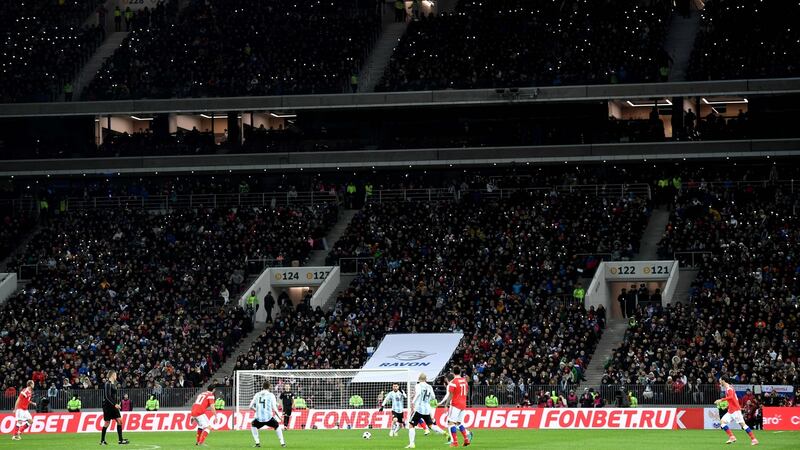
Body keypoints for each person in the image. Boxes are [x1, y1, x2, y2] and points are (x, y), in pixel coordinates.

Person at [406, 373, 446, 449]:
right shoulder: (429, 386)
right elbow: (433, 397)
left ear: (419, 378)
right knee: (431, 425)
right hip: (426, 409)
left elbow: (418, 394)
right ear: (425, 379)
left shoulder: (418, 385)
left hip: (419, 408)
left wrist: (412, 402)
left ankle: (412, 444)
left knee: (411, 425)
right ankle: (444, 432)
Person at [715, 379, 758, 445]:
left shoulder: (729, 388)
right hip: (731, 410)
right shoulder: (728, 388)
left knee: (743, 425)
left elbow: (731, 397)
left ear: (723, 380)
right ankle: (732, 437)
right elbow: (732, 399)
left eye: (720, 380)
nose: (719, 382)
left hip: (735, 410)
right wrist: (727, 406)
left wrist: (721, 400)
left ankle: (754, 439)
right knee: (722, 422)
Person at [438, 366, 472, 447]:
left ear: (453, 373)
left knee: (450, 423)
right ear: (460, 372)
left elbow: (450, 395)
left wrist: (446, 405)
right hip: (463, 404)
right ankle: (466, 439)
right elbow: (466, 392)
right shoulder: (464, 381)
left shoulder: (453, 382)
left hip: (455, 404)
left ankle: (455, 442)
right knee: (459, 423)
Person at [250, 382, 286, 448]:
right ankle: (282, 443)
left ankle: (257, 442)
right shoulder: (271, 395)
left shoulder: (257, 394)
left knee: (253, 425)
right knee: (277, 426)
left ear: (262, 387)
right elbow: (275, 408)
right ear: (269, 387)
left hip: (259, 419)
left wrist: (256, 410)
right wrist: (280, 417)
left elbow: (250, 406)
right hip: (269, 418)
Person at [101, 370, 129, 445]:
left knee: (120, 421)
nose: (116, 376)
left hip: (114, 405)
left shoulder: (114, 384)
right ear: (112, 375)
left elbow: (113, 396)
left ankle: (120, 440)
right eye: (115, 375)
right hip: (108, 406)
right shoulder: (108, 384)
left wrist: (117, 402)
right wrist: (115, 404)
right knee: (107, 423)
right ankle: (102, 441)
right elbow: (107, 396)